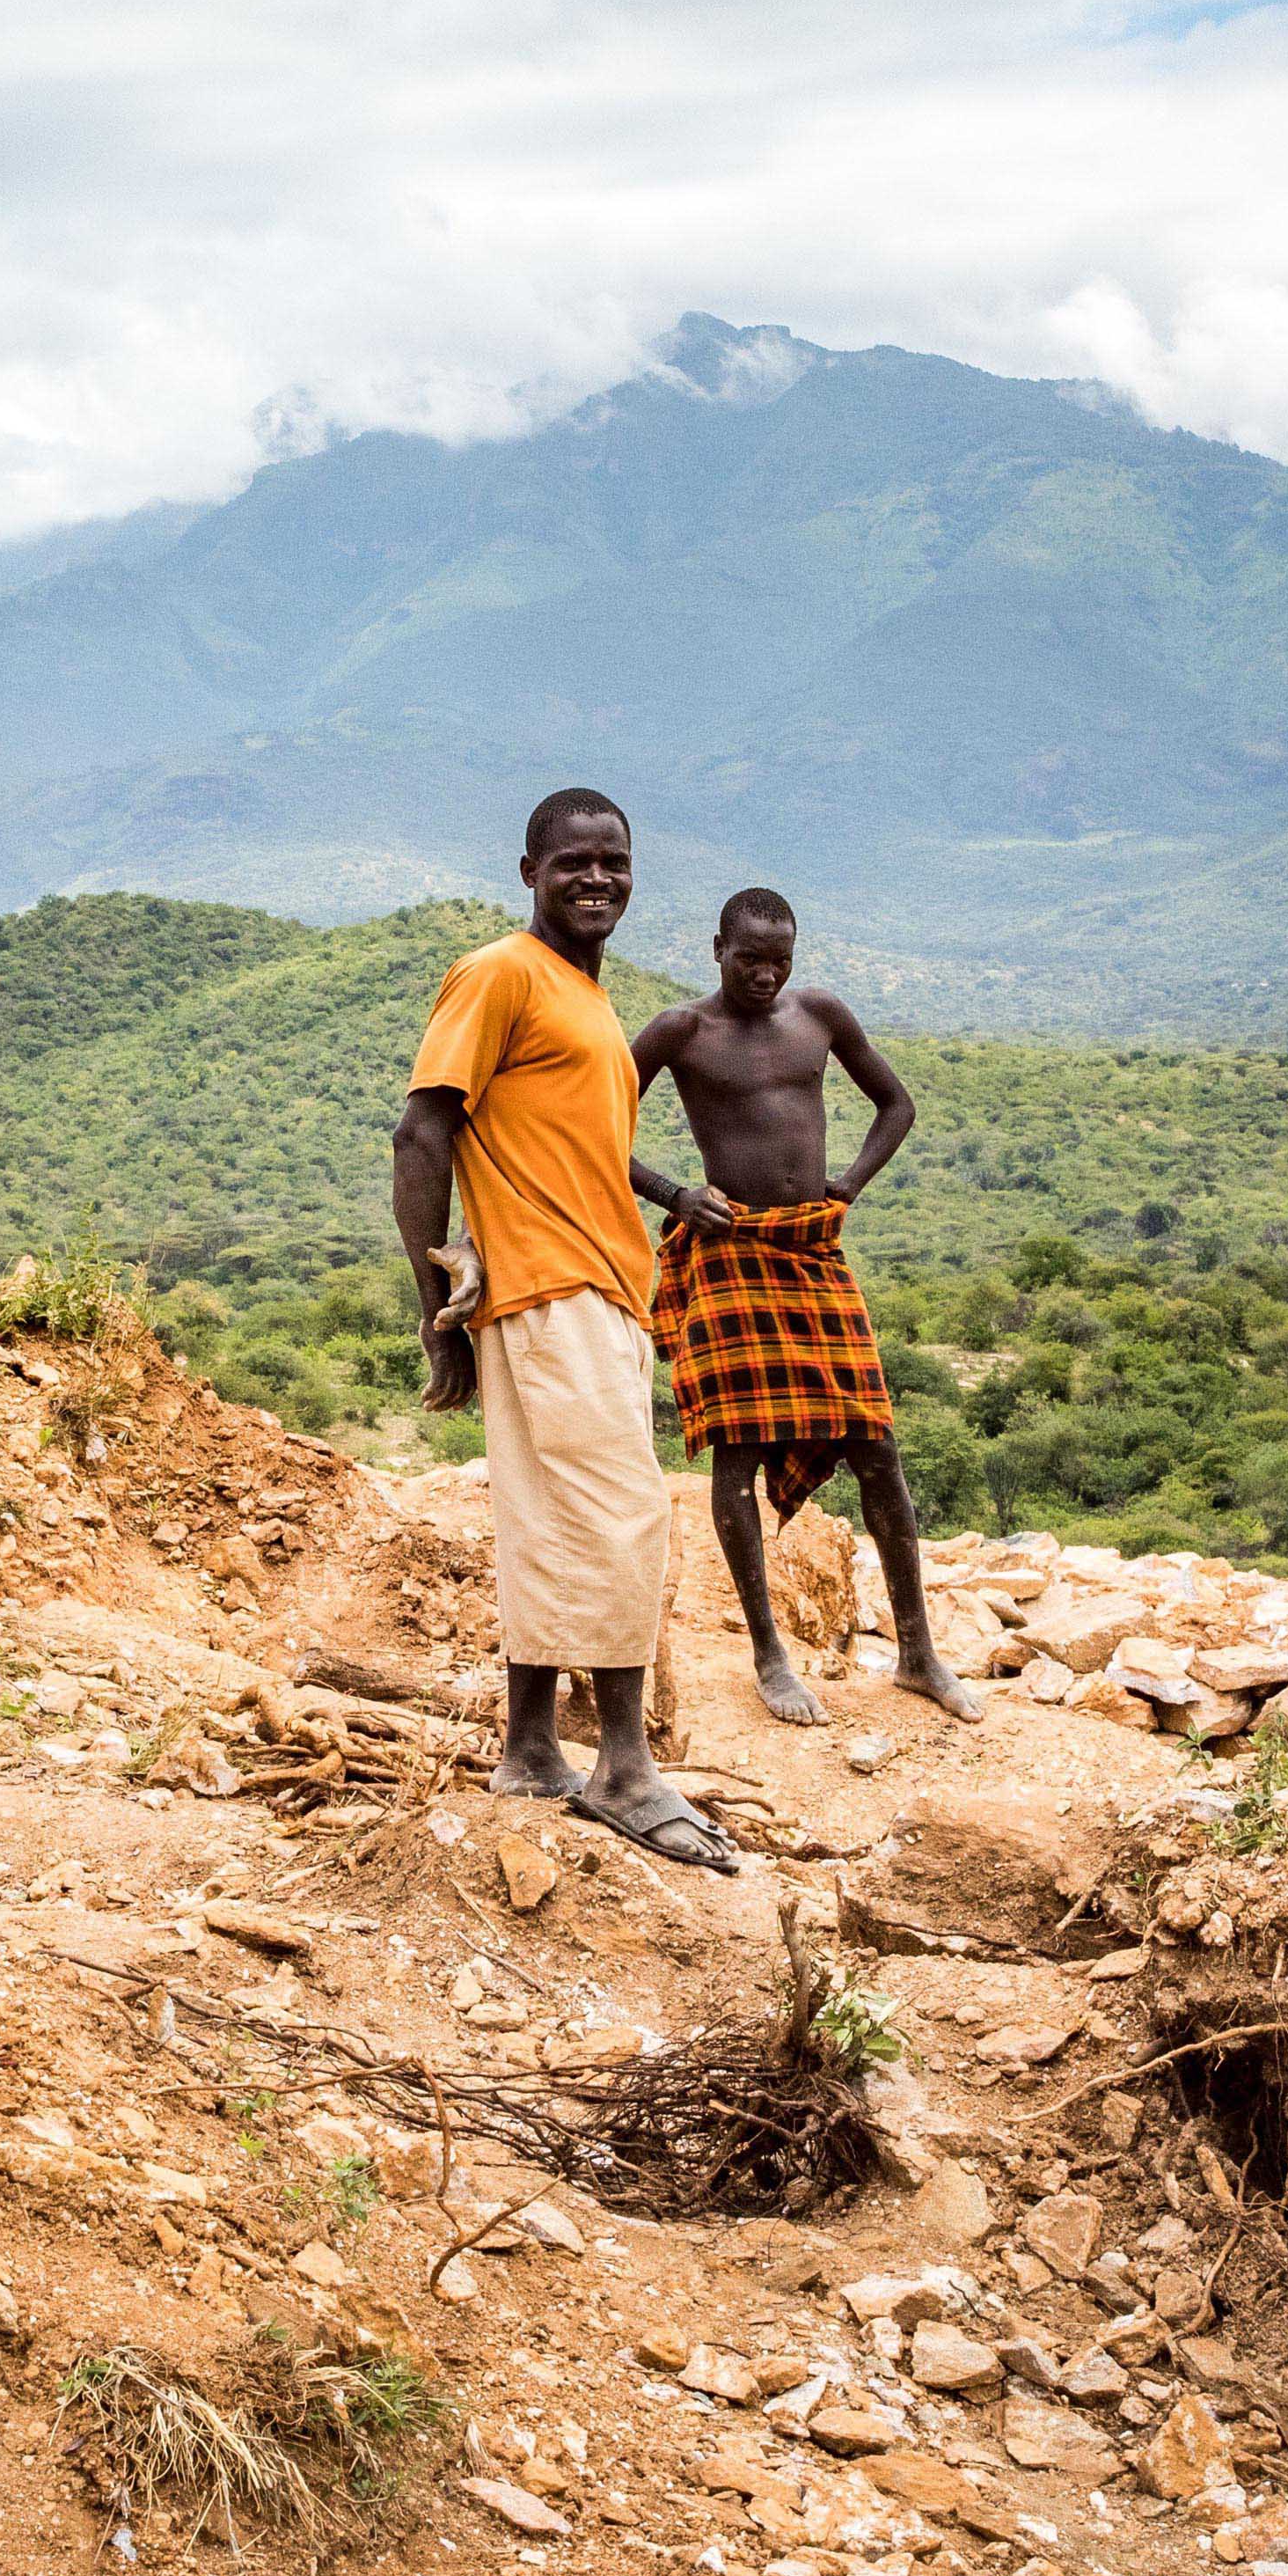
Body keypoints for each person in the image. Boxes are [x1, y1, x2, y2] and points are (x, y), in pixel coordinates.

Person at [392, 788, 736, 1871]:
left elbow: (572, 1145)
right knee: (623, 1518)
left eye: (614, 863)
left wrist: (669, 1194)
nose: (597, 879)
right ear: (529, 867)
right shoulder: (499, 972)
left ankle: (531, 1748)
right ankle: (624, 1770)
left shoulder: (583, 994)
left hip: (593, 1288)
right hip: (550, 1291)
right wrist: (430, 1296)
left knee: (546, 1518)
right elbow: (422, 1131)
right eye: (574, 862)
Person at [633, 888, 977, 1728]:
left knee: (877, 1444)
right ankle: (768, 1656)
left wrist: (850, 1184)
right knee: (736, 1458)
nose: (765, 971)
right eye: (749, 956)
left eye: (779, 957)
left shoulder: (820, 1014)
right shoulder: (682, 1031)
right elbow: (592, 1123)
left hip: (814, 1251)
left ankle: (918, 1654)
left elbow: (898, 1105)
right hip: (729, 1255)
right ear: (717, 946)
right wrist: (674, 1195)